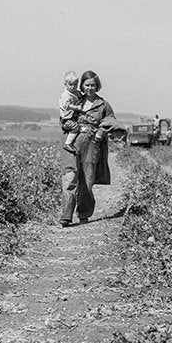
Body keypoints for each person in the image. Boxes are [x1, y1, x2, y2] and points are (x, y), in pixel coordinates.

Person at [59, 70, 119, 227]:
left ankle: (84, 213)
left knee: (87, 179)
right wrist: (66, 124)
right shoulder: (75, 99)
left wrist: (100, 132)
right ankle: (66, 215)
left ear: (97, 85)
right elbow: (63, 116)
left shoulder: (103, 104)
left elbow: (111, 120)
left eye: (93, 85)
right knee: (70, 177)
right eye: (87, 85)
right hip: (71, 142)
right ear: (82, 86)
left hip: (92, 143)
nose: (90, 88)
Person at [58, 70, 83, 154]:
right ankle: (68, 143)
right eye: (70, 84)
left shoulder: (77, 93)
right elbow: (67, 105)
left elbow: (82, 98)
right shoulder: (66, 95)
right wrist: (77, 108)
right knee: (76, 128)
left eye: (75, 84)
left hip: (74, 117)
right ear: (65, 84)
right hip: (67, 119)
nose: (73, 87)